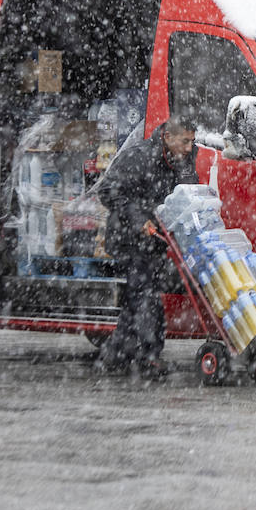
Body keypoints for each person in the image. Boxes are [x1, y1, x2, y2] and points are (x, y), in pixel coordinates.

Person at [92, 115, 198, 378]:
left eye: (192, 141)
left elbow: (188, 192)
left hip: (156, 240)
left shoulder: (183, 159)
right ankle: (148, 356)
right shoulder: (138, 157)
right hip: (130, 237)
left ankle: (114, 356)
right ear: (167, 137)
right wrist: (140, 219)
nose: (189, 147)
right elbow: (108, 191)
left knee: (136, 297)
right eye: (184, 141)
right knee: (145, 294)